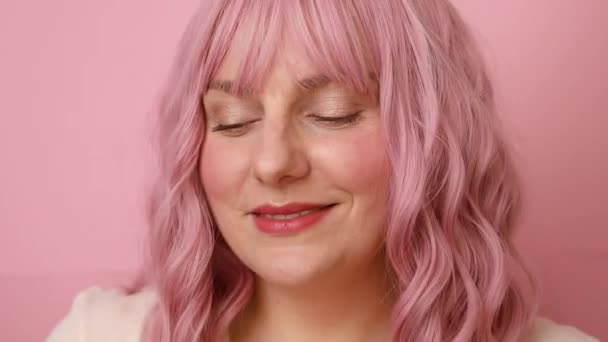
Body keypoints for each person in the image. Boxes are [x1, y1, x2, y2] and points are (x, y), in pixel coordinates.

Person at [46, 0, 599, 341]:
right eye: (234, 122)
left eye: (331, 115)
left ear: (432, 137)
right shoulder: (101, 334)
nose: (273, 163)